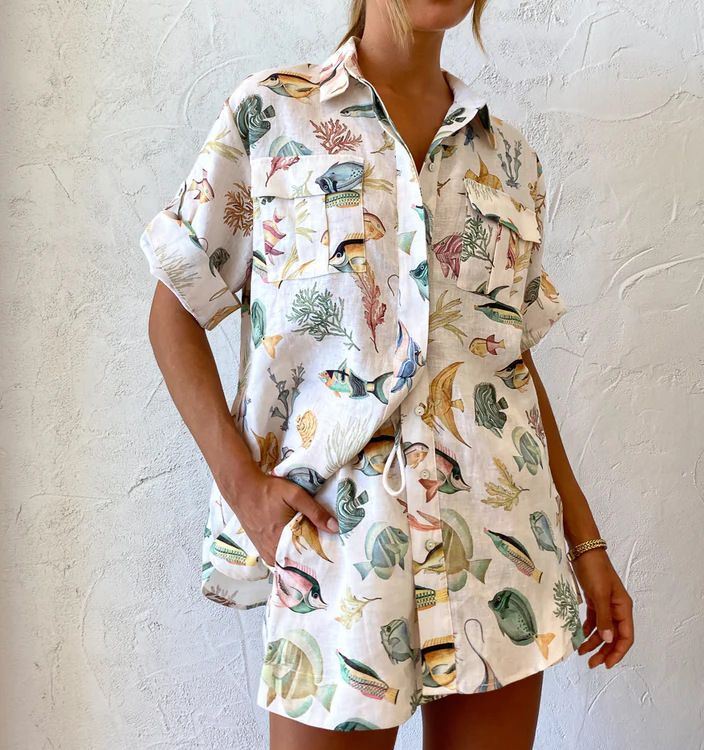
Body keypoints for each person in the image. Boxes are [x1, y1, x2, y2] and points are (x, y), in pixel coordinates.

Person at [139, 1, 634, 747]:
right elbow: (174, 313)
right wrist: (245, 491)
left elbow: (508, 361)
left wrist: (587, 543)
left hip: (500, 546)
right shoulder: (270, 116)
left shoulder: (509, 157)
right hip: (338, 549)